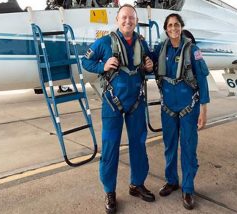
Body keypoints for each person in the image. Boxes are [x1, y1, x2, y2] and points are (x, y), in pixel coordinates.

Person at [81, 4, 155, 214]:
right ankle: (110, 191)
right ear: (117, 20)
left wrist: (150, 66)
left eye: (131, 18)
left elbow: (150, 63)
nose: (128, 21)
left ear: (136, 20)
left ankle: (136, 184)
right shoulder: (105, 42)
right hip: (112, 103)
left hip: (136, 103)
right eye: (124, 18)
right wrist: (101, 67)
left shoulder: (142, 42)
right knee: (111, 147)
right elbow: (85, 61)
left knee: (138, 144)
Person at [154, 13, 210, 210]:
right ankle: (172, 181)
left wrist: (203, 109)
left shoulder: (193, 50)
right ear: (166, 29)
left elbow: (202, 80)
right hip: (168, 107)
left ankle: (188, 188)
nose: (173, 28)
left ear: (181, 27)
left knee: (188, 147)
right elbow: (147, 62)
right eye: (169, 25)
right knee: (169, 146)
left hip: (189, 108)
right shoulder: (161, 50)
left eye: (176, 25)